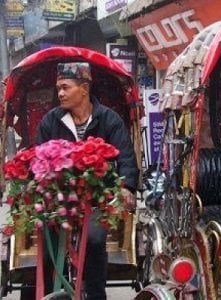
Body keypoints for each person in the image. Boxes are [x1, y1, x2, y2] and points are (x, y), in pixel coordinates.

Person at [36, 62, 139, 300]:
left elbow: (125, 156)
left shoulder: (109, 119)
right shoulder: (51, 121)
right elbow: (37, 159)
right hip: (59, 199)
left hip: (97, 199)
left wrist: (126, 188)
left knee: (94, 239)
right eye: (58, 88)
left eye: (65, 87)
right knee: (49, 242)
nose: (60, 93)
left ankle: (95, 295)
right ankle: (56, 292)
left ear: (84, 88)